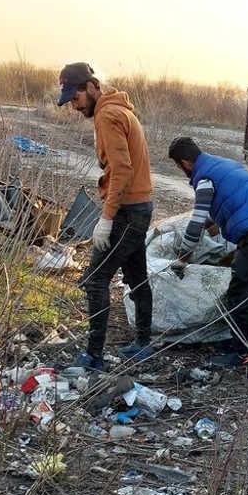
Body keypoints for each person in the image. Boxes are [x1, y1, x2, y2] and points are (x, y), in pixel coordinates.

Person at [57, 62, 154, 369]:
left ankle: (93, 356)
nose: (74, 106)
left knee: (95, 280)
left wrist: (107, 217)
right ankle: (143, 344)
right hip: (139, 207)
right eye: (70, 101)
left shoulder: (107, 115)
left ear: (90, 87)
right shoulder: (119, 110)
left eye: (75, 97)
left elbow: (122, 170)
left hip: (128, 211)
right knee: (137, 278)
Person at [167, 136, 248, 368]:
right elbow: (228, 205)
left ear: (185, 163)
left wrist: (182, 259)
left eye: (179, 167)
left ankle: (240, 355)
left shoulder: (204, 179)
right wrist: (211, 225)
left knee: (239, 296)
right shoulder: (222, 165)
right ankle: (238, 344)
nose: (182, 171)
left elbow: (196, 221)